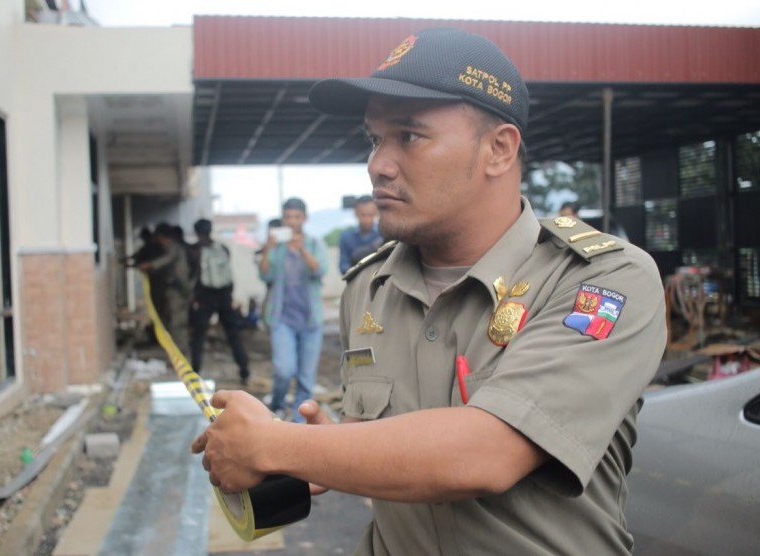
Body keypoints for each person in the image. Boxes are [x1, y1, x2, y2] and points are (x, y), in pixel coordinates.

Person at [192, 28, 666, 554]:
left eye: (409, 136)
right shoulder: (368, 289)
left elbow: (486, 453)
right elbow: (377, 445)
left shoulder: (600, 280)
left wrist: (279, 444)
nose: (378, 164)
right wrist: (318, 452)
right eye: (374, 139)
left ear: (499, 150)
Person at [256, 198, 329, 422]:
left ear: (304, 218)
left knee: (306, 378)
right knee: (284, 369)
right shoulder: (277, 247)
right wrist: (267, 249)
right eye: (288, 217)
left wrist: (302, 250)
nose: (292, 221)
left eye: (297, 217)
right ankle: (278, 403)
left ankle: (299, 419)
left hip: (310, 320)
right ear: (283, 218)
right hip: (282, 319)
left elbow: (320, 271)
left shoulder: (315, 244)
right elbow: (264, 275)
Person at [189, 218, 251, 385]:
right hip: (224, 296)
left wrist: (193, 297)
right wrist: (230, 296)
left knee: (198, 336)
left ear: (196, 231)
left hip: (204, 297)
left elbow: (192, 277)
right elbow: (229, 274)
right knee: (233, 335)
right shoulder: (222, 248)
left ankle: (195, 372)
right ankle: (244, 370)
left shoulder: (194, 250)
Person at [139, 223, 192, 354]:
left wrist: (150, 265)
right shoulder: (174, 247)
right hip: (175, 289)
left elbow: (167, 259)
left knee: (177, 323)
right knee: (172, 321)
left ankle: (181, 352)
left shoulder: (173, 247)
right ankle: (178, 351)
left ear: (162, 237)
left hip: (178, 290)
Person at [338, 194, 384, 274]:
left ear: (376, 213)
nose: (366, 219)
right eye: (363, 215)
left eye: (370, 215)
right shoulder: (346, 237)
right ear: (355, 213)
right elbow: (343, 267)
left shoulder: (384, 234)